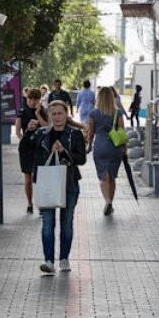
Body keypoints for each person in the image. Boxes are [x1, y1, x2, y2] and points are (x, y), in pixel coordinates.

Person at [30, 100, 86, 275]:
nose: (57, 117)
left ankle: (63, 258)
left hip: (69, 183)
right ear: (49, 115)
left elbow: (81, 159)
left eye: (60, 113)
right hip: (47, 184)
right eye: (53, 114)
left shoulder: (74, 134)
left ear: (66, 114)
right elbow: (27, 151)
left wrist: (63, 152)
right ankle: (48, 260)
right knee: (48, 223)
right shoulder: (42, 134)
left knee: (66, 223)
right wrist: (28, 133)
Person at [86, 86, 126, 216]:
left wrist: (89, 146)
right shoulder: (118, 113)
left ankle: (107, 201)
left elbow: (91, 133)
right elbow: (122, 132)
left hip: (100, 146)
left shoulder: (93, 113)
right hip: (115, 148)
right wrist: (125, 149)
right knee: (112, 176)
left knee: (103, 176)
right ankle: (110, 201)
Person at [15, 88, 47, 213]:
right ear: (26, 99)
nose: (33, 102)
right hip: (26, 148)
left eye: (36, 99)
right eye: (30, 99)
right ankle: (29, 203)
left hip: (40, 147)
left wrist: (38, 114)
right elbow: (18, 132)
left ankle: (41, 203)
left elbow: (47, 127)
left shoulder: (43, 111)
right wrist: (26, 133)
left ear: (40, 100)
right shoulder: (22, 112)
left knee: (40, 177)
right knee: (28, 178)